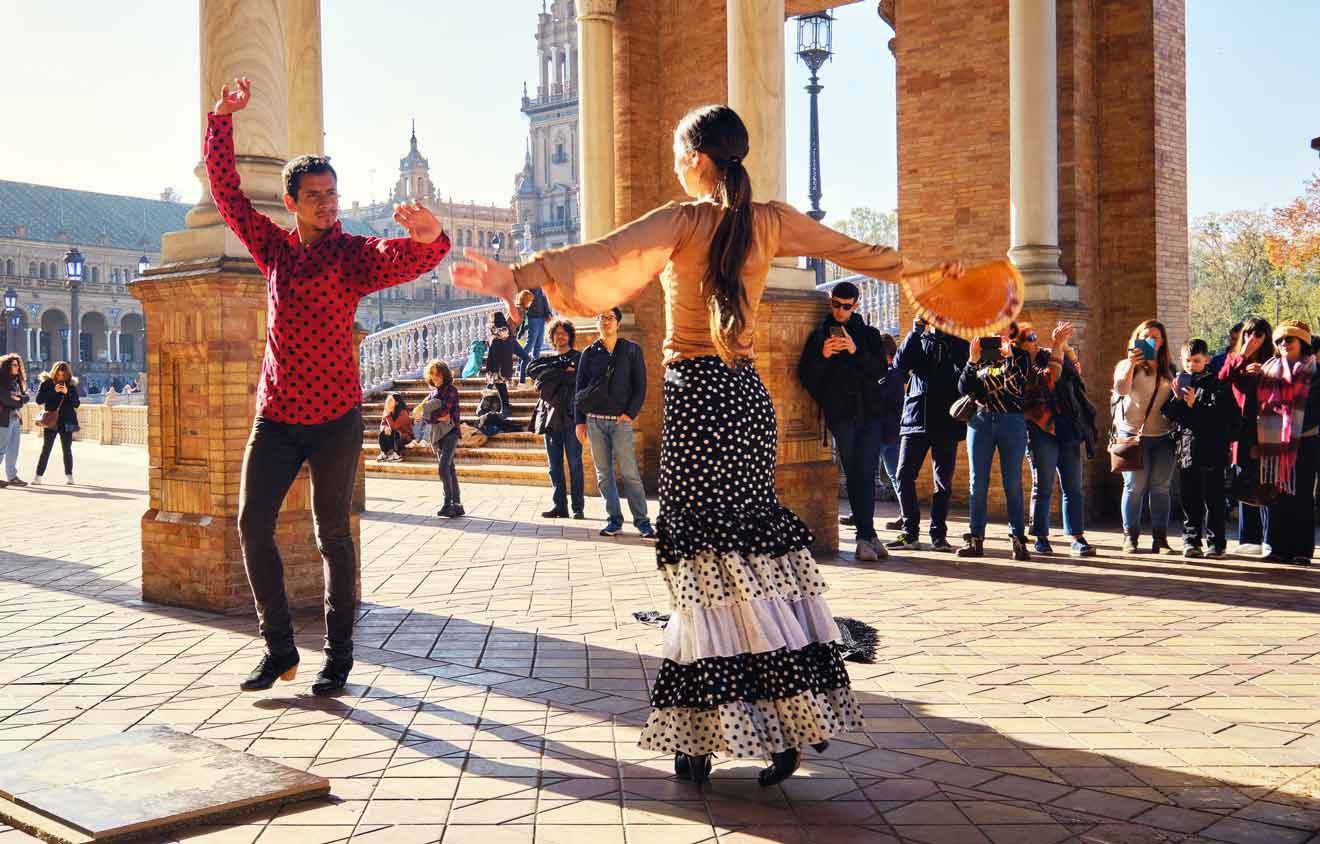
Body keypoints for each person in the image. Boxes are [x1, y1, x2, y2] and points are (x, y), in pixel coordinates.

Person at [451, 103, 962, 786]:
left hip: (696, 401)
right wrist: (921, 272)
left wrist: (516, 277)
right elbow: (855, 251)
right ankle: (782, 724)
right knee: (755, 567)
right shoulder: (771, 220)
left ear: (696, 159)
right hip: (748, 403)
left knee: (704, 579)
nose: (672, 166)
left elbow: (604, 255)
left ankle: (703, 734)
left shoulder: (685, 219)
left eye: (674, 154)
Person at [209, 77, 450, 696]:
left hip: (335, 418)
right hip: (277, 417)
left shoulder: (353, 253)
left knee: (332, 536)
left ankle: (338, 656)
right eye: (314, 196)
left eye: (332, 194)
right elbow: (228, 194)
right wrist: (221, 118)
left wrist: (428, 235)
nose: (327, 204)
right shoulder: (274, 251)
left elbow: (413, 258)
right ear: (291, 202)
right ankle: (280, 649)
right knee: (249, 524)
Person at [798, 280, 891, 562]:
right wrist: (824, 356)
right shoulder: (819, 336)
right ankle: (865, 537)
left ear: (856, 306)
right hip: (842, 416)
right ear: (831, 302)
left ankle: (868, 534)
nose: (840, 311)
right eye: (835, 304)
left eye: (846, 306)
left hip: (870, 415)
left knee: (867, 473)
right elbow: (806, 377)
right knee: (854, 473)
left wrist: (854, 350)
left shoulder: (870, 336)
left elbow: (879, 371)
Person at [885, 319, 969, 553]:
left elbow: (964, 369)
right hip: (916, 419)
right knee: (903, 475)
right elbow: (900, 364)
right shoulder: (918, 339)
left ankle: (938, 534)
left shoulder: (959, 341)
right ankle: (909, 532)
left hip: (946, 422)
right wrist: (916, 330)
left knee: (942, 482)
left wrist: (949, 335)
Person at [957, 325, 1035, 560]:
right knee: (977, 481)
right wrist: (972, 361)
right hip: (980, 420)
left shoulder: (1020, 357)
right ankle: (976, 539)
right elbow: (963, 388)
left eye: (1005, 333)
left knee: (1012, 480)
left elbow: (1016, 390)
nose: (998, 337)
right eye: (994, 332)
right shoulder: (979, 354)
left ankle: (1017, 539)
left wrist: (1009, 358)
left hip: (1010, 420)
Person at [1018, 322, 1096, 557]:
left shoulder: (1047, 353)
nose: (1033, 339)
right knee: (1043, 485)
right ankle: (1041, 536)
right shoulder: (1020, 365)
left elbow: (1075, 371)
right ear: (1018, 344)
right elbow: (1050, 377)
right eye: (1028, 336)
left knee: (1073, 486)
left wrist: (1064, 346)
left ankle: (1077, 537)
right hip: (1040, 429)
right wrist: (1056, 346)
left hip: (1066, 427)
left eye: (1034, 334)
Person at [574, 307, 653, 539]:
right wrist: (580, 421)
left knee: (630, 473)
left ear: (617, 323)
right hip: (595, 421)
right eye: (601, 318)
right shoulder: (589, 352)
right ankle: (614, 520)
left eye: (610, 318)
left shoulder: (631, 351)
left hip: (620, 422)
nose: (605, 322)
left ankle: (642, 522)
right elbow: (580, 389)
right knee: (603, 474)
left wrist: (630, 413)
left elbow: (640, 385)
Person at [1162, 338, 1240, 559]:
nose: (1191, 365)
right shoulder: (1179, 383)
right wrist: (1178, 400)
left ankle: (1216, 543)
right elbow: (1168, 415)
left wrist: (1194, 405)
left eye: (1196, 361)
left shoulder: (1217, 385)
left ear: (1206, 359)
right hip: (1188, 450)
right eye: (1187, 361)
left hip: (1213, 450)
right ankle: (1191, 540)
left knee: (1214, 499)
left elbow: (1221, 419)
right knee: (1190, 499)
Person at [1113, 319, 1177, 554]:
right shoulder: (1126, 365)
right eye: (1146, 336)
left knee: (1161, 487)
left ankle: (1160, 539)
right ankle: (1130, 537)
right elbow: (1121, 389)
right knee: (1134, 488)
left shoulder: (1169, 368)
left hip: (1164, 436)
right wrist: (1132, 364)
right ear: (1137, 338)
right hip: (1133, 435)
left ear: (1162, 342)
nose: (1151, 340)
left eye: (1155, 337)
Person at [1260, 321, 1320, 565]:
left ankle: (1301, 551)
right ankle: (1276, 547)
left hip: (1305, 442)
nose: (1283, 344)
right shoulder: (1267, 371)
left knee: (1302, 496)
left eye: (1289, 340)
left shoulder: (1315, 372)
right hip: (1273, 445)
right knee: (1277, 495)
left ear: (1302, 343)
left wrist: (1295, 427)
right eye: (1279, 341)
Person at [1219, 316, 1273, 556]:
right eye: (1249, 334)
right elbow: (1222, 379)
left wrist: (1263, 374)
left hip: (1265, 431)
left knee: (1265, 482)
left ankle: (1268, 538)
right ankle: (1247, 539)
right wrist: (1243, 356)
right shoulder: (1234, 359)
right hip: (1241, 434)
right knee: (1244, 481)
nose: (1253, 339)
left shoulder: (1272, 362)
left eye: (1258, 335)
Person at [529, 317, 585, 519]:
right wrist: (563, 371)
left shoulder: (579, 358)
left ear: (570, 335)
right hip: (550, 418)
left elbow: (579, 381)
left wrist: (553, 375)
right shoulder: (546, 360)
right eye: (556, 333)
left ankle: (578, 507)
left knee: (575, 463)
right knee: (554, 466)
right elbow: (533, 371)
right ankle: (559, 506)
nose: (560, 336)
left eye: (564, 332)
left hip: (571, 417)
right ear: (551, 337)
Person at [415, 359, 463, 518]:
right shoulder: (433, 393)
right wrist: (430, 414)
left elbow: (443, 413)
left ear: (444, 374)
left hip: (451, 433)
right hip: (437, 434)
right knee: (450, 469)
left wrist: (430, 413)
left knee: (443, 468)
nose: (435, 377)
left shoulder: (451, 390)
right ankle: (457, 505)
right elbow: (428, 417)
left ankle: (447, 503)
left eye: (437, 374)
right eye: (432, 374)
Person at [32, 361, 81, 485]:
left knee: (67, 449)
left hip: (67, 420)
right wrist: (54, 391)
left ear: (66, 374)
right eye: (58, 374)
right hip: (51, 420)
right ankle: (38, 476)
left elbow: (76, 403)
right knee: (46, 449)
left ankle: (69, 475)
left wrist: (67, 392)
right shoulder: (47, 383)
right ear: (54, 373)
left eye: (63, 375)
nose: (60, 377)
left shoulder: (70, 385)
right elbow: (39, 400)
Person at [483, 310, 524, 411]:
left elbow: (502, 334)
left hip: (500, 365)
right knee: (499, 386)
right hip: (496, 363)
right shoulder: (497, 332)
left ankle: (505, 407)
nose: (491, 322)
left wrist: (491, 327)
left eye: (492, 319)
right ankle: (504, 406)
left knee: (501, 386)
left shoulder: (503, 329)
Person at [0, 354, 26, 489]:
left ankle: (12, 476)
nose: (17, 367)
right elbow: (6, 400)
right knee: (1, 448)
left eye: (18, 365)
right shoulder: (1, 382)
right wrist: (16, 400)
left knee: (13, 449)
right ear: (7, 367)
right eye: (14, 365)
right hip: (3, 419)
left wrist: (18, 399)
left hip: (15, 418)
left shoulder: (16, 382)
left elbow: (25, 398)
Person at [518, 286, 553, 382]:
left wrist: (548, 314)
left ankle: (534, 367)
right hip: (533, 318)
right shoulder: (528, 286)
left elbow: (544, 301)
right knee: (531, 342)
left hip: (541, 318)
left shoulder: (540, 288)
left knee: (539, 343)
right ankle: (520, 364)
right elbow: (524, 301)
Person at [376, 392, 413, 462]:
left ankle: (397, 455)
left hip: (405, 436)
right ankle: (384, 453)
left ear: (396, 403)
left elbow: (394, 427)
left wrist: (387, 415)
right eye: (387, 400)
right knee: (382, 433)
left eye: (390, 400)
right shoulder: (387, 411)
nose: (387, 401)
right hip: (393, 435)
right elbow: (382, 425)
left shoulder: (403, 412)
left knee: (396, 433)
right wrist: (385, 428)